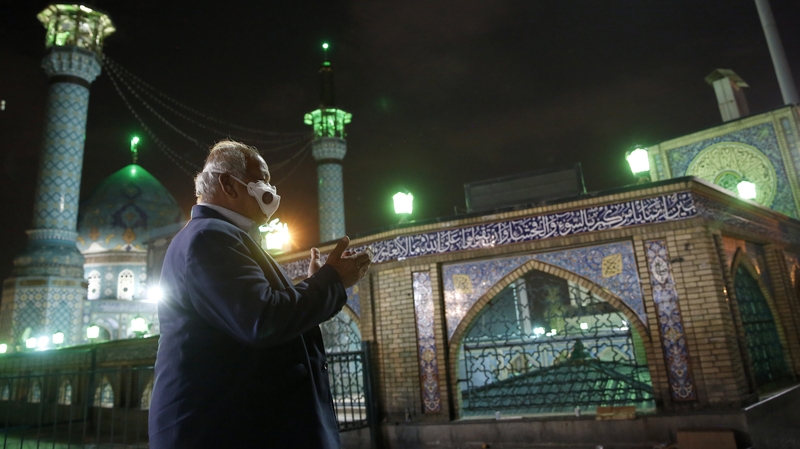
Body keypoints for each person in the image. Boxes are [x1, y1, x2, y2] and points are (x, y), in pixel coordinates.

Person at [148, 140, 370, 449]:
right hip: (221, 431)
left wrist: (318, 282)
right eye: (261, 178)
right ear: (228, 183)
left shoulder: (224, 236)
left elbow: (260, 312)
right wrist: (331, 281)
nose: (271, 189)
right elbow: (262, 320)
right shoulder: (209, 238)